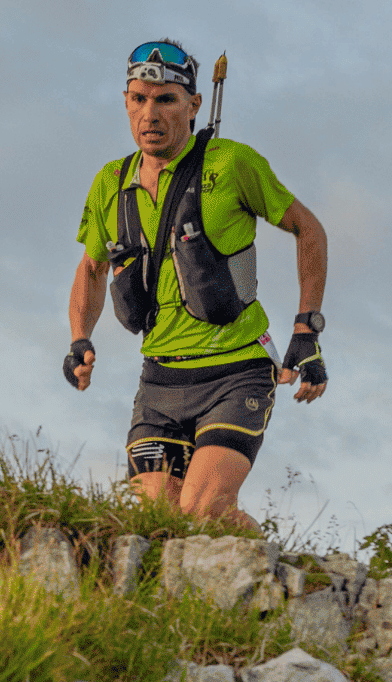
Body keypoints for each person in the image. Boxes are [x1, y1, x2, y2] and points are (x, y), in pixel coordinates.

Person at [64, 40, 329, 525]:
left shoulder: (232, 163)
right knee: (156, 519)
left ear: (193, 105)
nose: (151, 113)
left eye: (165, 99)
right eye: (139, 98)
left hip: (237, 370)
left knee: (201, 510)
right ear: (125, 100)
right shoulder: (109, 182)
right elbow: (92, 268)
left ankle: (274, 578)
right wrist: (79, 338)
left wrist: (305, 331)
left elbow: (307, 229)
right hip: (160, 380)